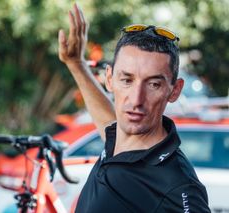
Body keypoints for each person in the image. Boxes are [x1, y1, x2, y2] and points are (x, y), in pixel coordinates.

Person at [58, 3, 211, 213]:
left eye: (154, 84)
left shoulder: (178, 187)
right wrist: (77, 65)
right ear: (110, 79)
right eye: (127, 80)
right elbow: (108, 122)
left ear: (174, 90)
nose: (136, 100)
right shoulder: (120, 141)